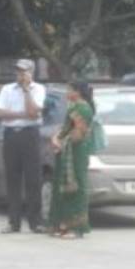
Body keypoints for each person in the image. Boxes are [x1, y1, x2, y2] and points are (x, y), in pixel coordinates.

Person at [0, 58, 47, 233]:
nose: (20, 75)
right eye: (18, 71)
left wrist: (26, 91)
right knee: (12, 178)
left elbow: (33, 113)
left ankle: (35, 221)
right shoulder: (7, 89)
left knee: (33, 179)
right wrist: (20, 114)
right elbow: (0, 113)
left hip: (30, 134)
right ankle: (13, 222)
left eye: (24, 72)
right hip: (11, 135)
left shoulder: (38, 89)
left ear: (31, 73)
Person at [47, 81, 96, 238]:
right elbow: (66, 128)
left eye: (69, 90)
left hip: (77, 152)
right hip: (66, 150)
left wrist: (62, 142)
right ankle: (61, 224)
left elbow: (79, 133)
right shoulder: (73, 106)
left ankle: (76, 228)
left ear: (78, 92)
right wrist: (56, 138)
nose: (66, 92)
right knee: (61, 186)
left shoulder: (83, 108)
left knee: (75, 186)